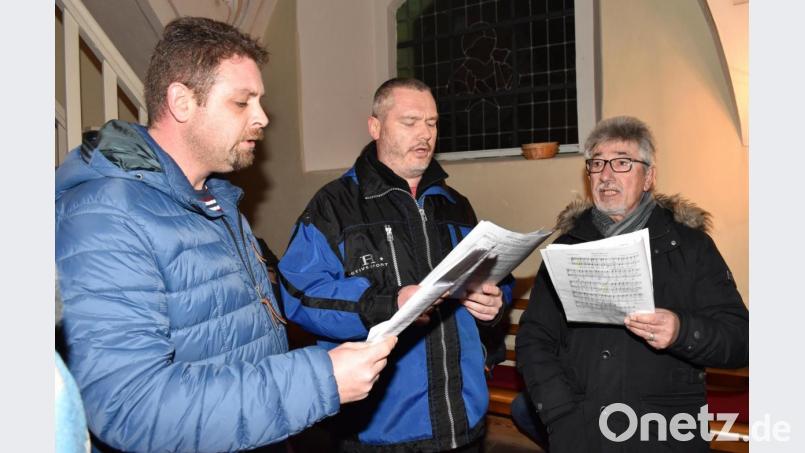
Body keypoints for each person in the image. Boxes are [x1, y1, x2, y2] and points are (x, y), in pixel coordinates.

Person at [55, 17, 395, 453]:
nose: (262, 117)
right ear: (182, 101)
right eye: (242, 102)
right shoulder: (105, 215)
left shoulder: (216, 200)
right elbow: (130, 406)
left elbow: (235, 345)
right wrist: (318, 380)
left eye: (260, 101)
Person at [278, 77, 515, 452]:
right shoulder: (335, 205)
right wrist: (387, 303)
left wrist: (495, 300)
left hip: (464, 420)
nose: (425, 134)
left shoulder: (454, 204)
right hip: (382, 429)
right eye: (410, 122)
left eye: (432, 123)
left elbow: (495, 275)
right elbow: (299, 295)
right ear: (375, 127)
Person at [515, 116, 749, 452]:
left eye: (622, 163)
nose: (606, 175)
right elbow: (534, 338)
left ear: (649, 176)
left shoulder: (690, 247)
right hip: (582, 429)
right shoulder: (567, 248)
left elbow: (741, 338)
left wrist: (682, 331)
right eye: (597, 164)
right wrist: (560, 414)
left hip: (664, 432)